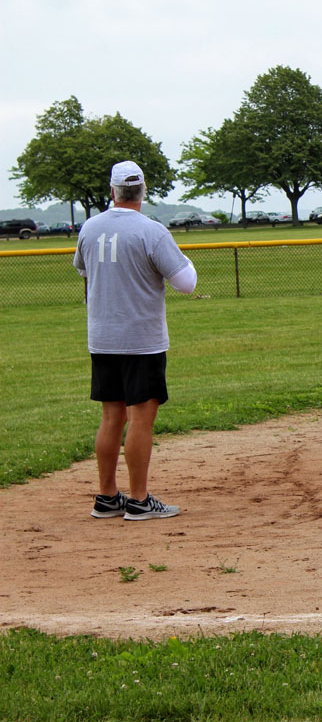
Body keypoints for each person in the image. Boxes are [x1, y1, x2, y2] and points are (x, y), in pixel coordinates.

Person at [73, 161, 198, 521]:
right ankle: (140, 500)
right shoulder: (152, 231)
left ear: (112, 191)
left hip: (102, 336)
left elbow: (83, 267)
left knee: (111, 417)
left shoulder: (90, 227)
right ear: (142, 191)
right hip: (141, 339)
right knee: (140, 417)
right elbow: (185, 283)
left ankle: (107, 496)